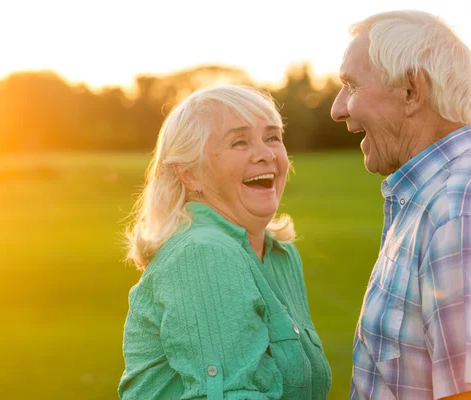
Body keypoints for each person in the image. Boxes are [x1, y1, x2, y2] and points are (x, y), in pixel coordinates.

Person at [118, 85, 331, 399]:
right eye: (239, 142)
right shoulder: (202, 253)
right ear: (190, 173)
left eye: (273, 137)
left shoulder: (280, 255)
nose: (266, 154)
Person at [330, 10, 471, 400]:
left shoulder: (457, 208)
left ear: (412, 90)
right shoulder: (428, 197)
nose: (337, 109)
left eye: (351, 86)